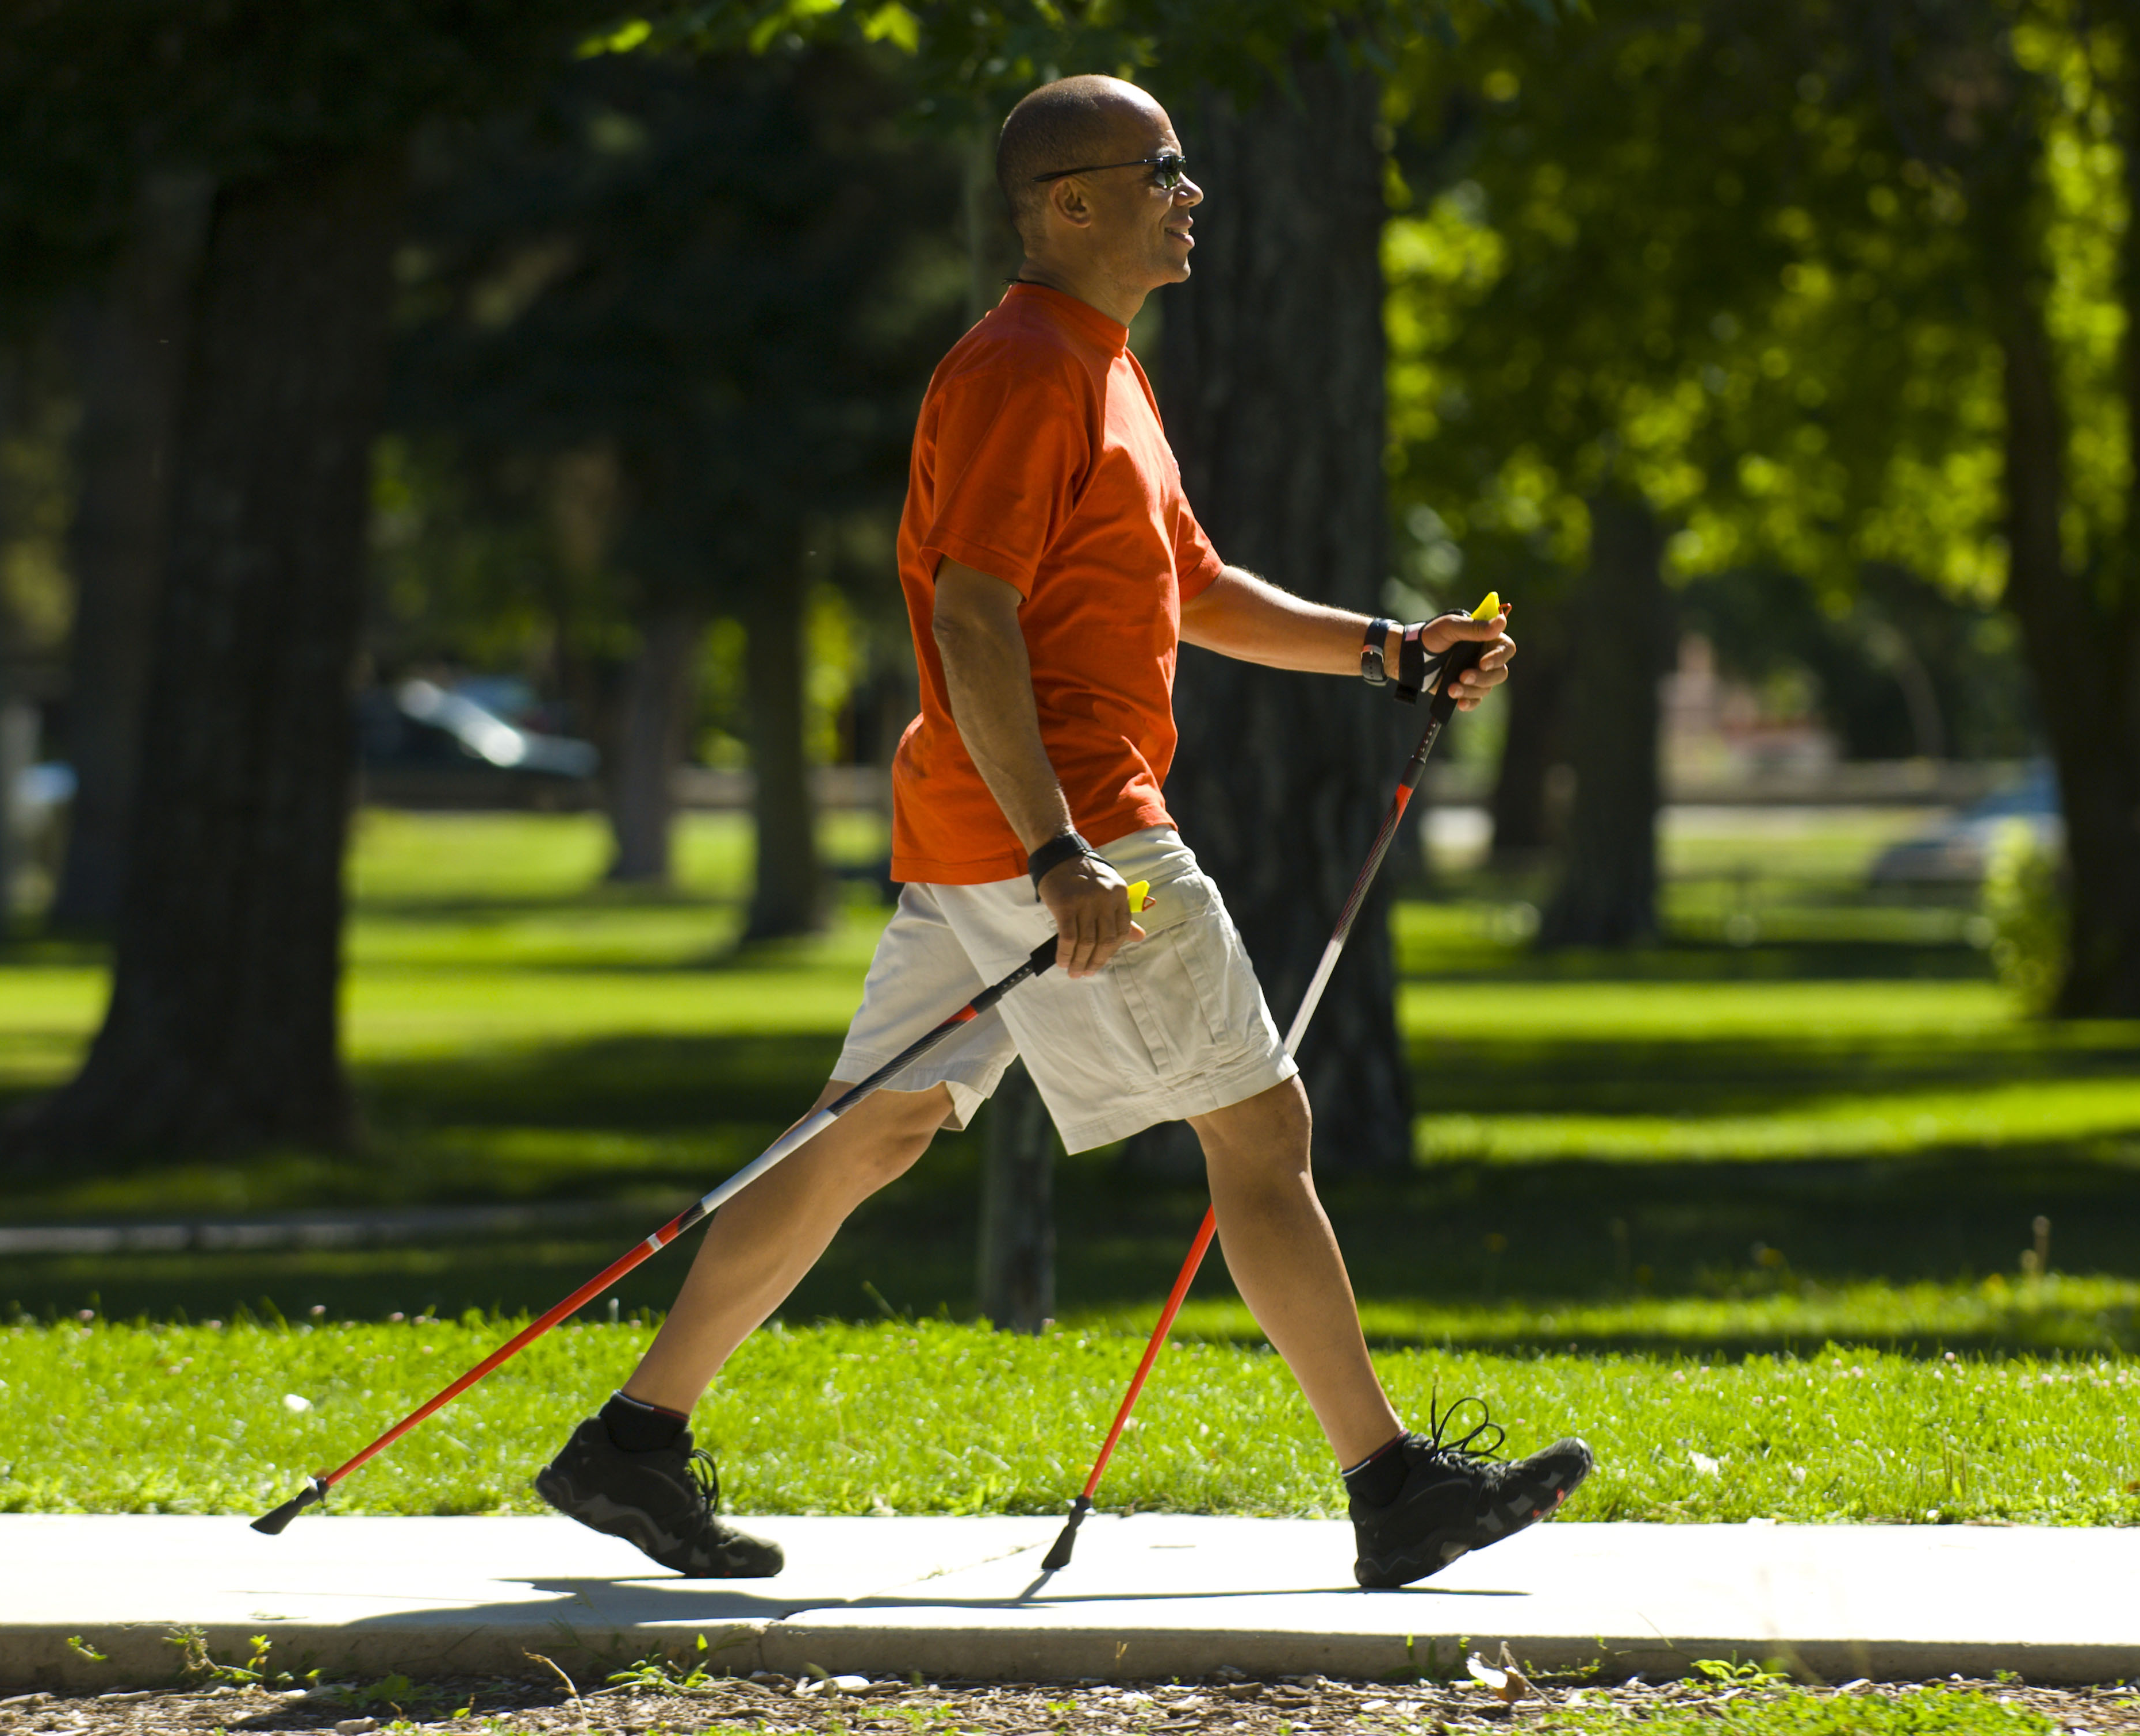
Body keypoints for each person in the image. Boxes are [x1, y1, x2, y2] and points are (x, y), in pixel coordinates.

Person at [536, 73, 1590, 1591]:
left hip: (992, 820)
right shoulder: (1023, 368)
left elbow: (1196, 585)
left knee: (871, 1125)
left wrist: (1388, 649)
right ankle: (1391, 1484)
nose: (1194, 196)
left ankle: (634, 1443)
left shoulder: (1105, 371)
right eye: (1164, 172)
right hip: (1070, 822)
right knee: (1264, 1126)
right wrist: (1057, 851)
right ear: (1070, 203)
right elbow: (974, 618)